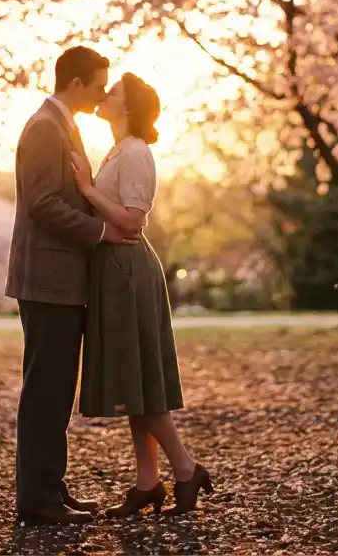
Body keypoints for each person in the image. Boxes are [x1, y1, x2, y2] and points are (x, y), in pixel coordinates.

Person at [5, 46, 138, 526]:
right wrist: (102, 231)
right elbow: (41, 203)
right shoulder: (44, 128)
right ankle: (37, 502)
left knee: (56, 390)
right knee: (45, 390)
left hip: (61, 281)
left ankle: (49, 489)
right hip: (47, 281)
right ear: (76, 84)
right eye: (99, 84)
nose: (104, 93)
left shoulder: (63, 125)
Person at [70, 72, 213, 517]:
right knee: (135, 383)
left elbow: (133, 221)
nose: (104, 94)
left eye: (113, 92)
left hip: (127, 270)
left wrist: (88, 189)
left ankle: (186, 470)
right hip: (115, 271)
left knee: (142, 384)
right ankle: (148, 484)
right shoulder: (119, 150)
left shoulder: (135, 153)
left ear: (128, 107)